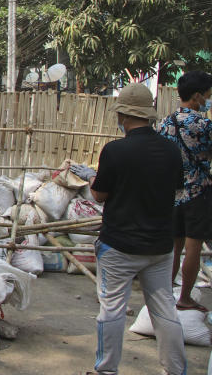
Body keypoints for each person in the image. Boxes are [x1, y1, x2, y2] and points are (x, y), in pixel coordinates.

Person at [82, 84, 186, 375]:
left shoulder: (115, 151)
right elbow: (176, 191)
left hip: (119, 245)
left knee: (112, 311)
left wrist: (92, 180)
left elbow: (99, 196)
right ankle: (176, 369)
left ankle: (106, 370)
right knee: (165, 310)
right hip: (160, 246)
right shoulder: (170, 151)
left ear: (124, 116)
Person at [157, 70, 212, 312]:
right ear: (197, 96)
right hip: (197, 193)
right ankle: (185, 298)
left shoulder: (165, 123)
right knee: (193, 247)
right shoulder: (204, 125)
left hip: (172, 193)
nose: (208, 101)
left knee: (173, 247)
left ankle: (165, 293)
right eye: (208, 96)